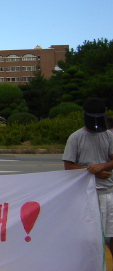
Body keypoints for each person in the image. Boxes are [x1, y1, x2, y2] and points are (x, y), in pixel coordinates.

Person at [62, 98, 113, 254]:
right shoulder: (76, 137)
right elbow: (69, 166)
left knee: (110, 234)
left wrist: (102, 166)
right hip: (87, 194)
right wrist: (94, 172)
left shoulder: (108, 136)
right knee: (90, 237)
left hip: (108, 192)